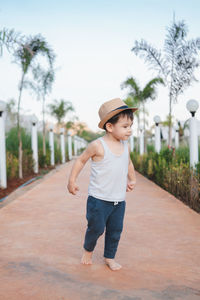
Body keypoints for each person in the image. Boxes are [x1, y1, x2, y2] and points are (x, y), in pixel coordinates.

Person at [67, 98, 138, 271]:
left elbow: (128, 163)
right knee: (96, 228)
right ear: (110, 127)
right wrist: (72, 180)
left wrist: (132, 178)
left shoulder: (125, 146)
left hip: (118, 201)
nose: (129, 130)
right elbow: (81, 160)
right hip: (98, 199)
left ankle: (109, 257)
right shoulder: (97, 146)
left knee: (115, 231)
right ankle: (88, 250)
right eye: (125, 126)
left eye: (130, 126)